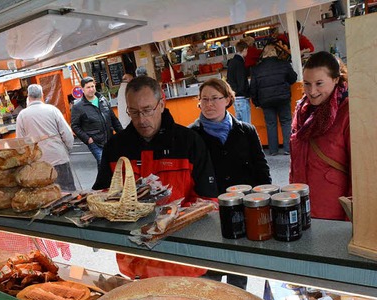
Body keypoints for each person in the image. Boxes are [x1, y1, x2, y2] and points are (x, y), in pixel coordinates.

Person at [93, 76, 218, 280]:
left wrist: (169, 222)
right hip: (136, 262)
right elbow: (102, 195)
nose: (141, 120)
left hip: (184, 262)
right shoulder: (115, 147)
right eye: (134, 112)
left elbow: (208, 202)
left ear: (161, 104)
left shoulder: (189, 142)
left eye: (147, 110)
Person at [290, 51, 350, 220]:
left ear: (336, 79)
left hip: (334, 213)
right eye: (307, 84)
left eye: (319, 83)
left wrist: (351, 218)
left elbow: (359, 174)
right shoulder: (301, 111)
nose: (312, 91)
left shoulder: (348, 113)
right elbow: (294, 162)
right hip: (302, 207)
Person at [189, 78, 270, 194]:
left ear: (227, 100)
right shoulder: (191, 135)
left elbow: (261, 169)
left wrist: (264, 197)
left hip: (246, 200)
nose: (209, 104)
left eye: (214, 98)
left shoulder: (247, 131)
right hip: (211, 204)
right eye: (204, 99)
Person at [15, 84, 76, 191]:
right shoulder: (52, 110)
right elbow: (67, 134)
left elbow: (20, 142)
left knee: (46, 196)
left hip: (38, 162)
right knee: (68, 193)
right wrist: (67, 149)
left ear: (28, 97)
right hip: (58, 157)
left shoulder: (22, 115)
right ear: (42, 95)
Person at [250, 43, 298, 156]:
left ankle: (273, 150)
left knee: (271, 124)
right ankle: (288, 149)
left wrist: (256, 102)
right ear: (275, 52)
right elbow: (293, 78)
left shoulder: (257, 69)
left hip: (266, 101)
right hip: (283, 98)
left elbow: (253, 87)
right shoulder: (284, 64)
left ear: (264, 54)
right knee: (286, 122)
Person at [70, 76, 123, 165]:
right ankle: (104, 178)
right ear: (82, 89)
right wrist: (88, 139)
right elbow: (75, 126)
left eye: (92, 86)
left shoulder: (103, 100)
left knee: (111, 164)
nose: (91, 89)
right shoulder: (78, 107)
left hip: (109, 139)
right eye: (88, 87)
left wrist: (122, 134)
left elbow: (114, 119)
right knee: (103, 162)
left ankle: (103, 179)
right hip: (95, 142)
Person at [226, 40, 252, 123]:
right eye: (247, 50)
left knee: (240, 126)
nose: (247, 52)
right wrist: (246, 92)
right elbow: (241, 81)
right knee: (247, 126)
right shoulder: (240, 63)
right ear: (244, 50)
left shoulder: (231, 62)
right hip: (242, 98)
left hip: (235, 98)